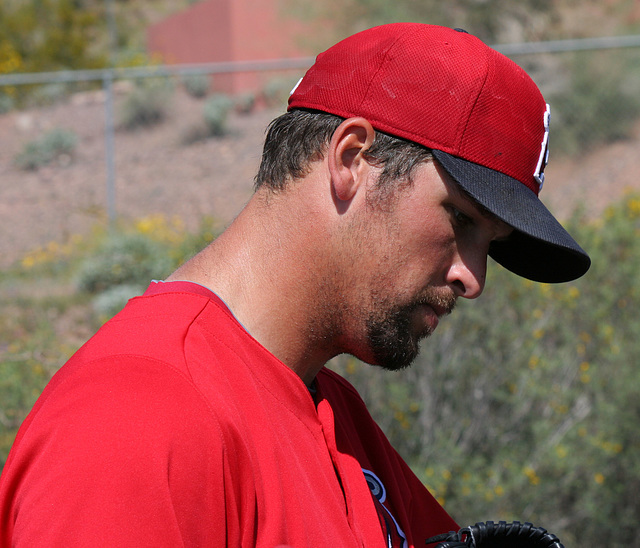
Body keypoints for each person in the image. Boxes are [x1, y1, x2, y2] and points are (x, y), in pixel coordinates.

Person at [0, 23, 590, 547]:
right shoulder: (139, 419)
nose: (473, 277)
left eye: (491, 244)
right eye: (460, 219)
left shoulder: (333, 409)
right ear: (352, 158)